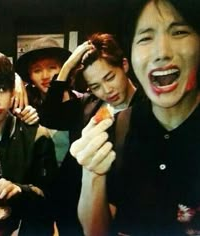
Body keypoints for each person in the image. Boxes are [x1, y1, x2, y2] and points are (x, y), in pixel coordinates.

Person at [70, 0, 200, 235]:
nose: (161, 52)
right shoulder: (116, 129)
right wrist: (92, 173)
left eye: (179, 31)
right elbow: (95, 230)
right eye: (145, 38)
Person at [40, 33, 139, 235]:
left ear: (124, 65)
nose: (106, 90)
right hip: (69, 209)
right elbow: (49, 117)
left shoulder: (145, 110)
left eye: (110, 77)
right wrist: (67, 67)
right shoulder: (89, 104)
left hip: (109, 215)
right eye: (95, 86)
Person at [0, 50, 58, 235]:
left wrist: (20, 190)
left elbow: (54, 198)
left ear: (12, 90)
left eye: (1, 89)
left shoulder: (37, 137)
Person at [15, 37, 74, 166]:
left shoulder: (80, 100)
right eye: (37, 70)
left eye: (52, 67)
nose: (45, 76)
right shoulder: (25, 105)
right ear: (30, 76)